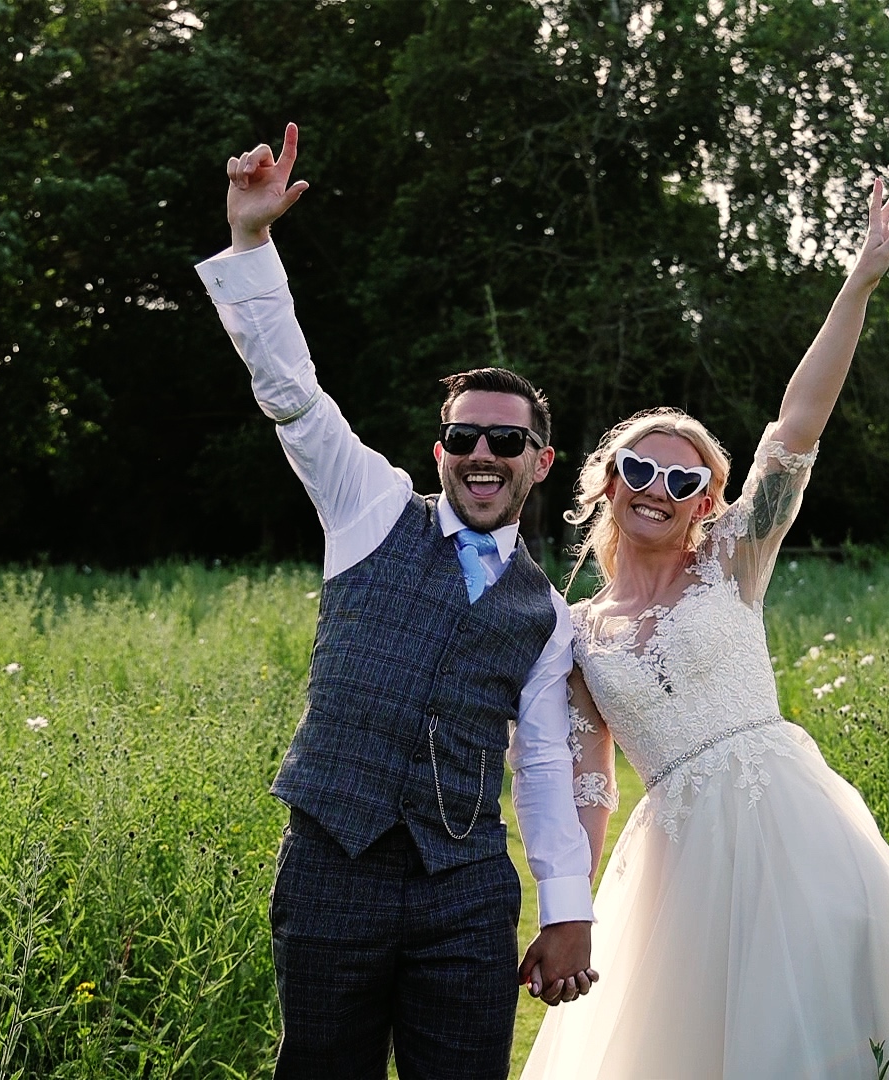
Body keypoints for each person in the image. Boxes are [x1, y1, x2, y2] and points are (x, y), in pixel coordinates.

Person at [522, 179, 889, 1078]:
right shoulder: (573, 631)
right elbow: (589, 784)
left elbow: (798, 422)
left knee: (814, 1032)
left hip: (792, 827)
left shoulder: (731, 564)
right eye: (643, 468)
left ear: (706, 504)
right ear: (609, 478)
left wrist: (858, 282)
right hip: (677, 860)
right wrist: (572, 908)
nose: (660, 490)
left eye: (686, 482)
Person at [197, 123, 597, 1080]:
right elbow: (292, 393)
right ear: (439, 452)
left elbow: (542, 764)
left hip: (464, 889)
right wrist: (253, 244)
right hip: (332, 864)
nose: (483, 458)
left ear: (540, 463)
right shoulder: (367, 510)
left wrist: (567, 909)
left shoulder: (547, 614)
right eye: (464, 439)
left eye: (507, 444)